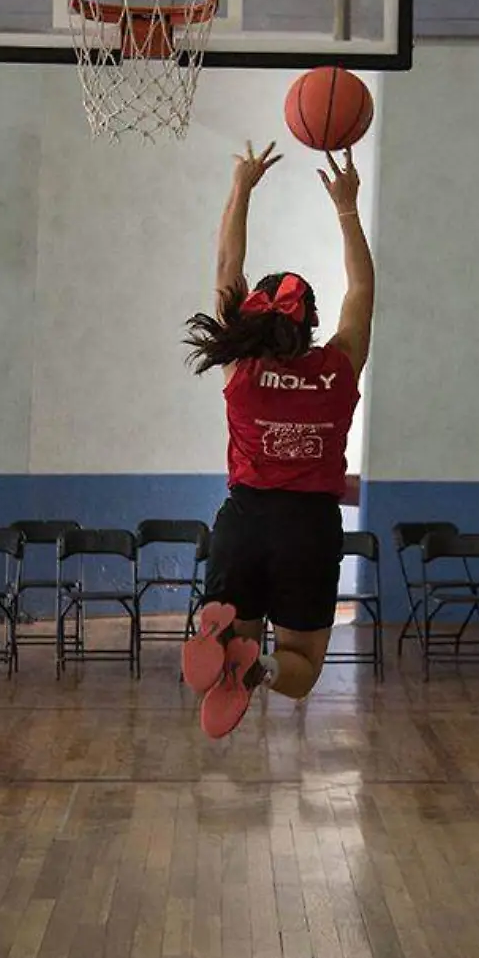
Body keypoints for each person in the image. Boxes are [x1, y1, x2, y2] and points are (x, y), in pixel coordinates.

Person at [178, 141, 374, 740]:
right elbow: (362, 291)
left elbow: (224, 265)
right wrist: (346, 207)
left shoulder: (239, 365)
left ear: (253, 319)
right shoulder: (338, 365)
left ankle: (226, 640)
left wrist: (242, 187)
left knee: (241, 624)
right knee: (303, 668)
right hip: (307, 530)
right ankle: (254, 666)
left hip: (242, 523)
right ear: (311, 322)